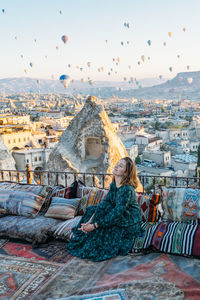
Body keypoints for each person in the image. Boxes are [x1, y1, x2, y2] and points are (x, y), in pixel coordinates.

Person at [66, 157, 144, 262]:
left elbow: (117, 213)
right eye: (117, 163)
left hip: (128, 219)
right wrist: (90, 220)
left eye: (120, 166)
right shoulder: (114, 185)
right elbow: (104, 203)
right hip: (118, 214)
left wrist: (94, 225)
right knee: (92, 209)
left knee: (105, 225)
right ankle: (86, 229)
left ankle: (90, 235)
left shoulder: (127, 189)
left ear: (126, 173)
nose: (116, 166)